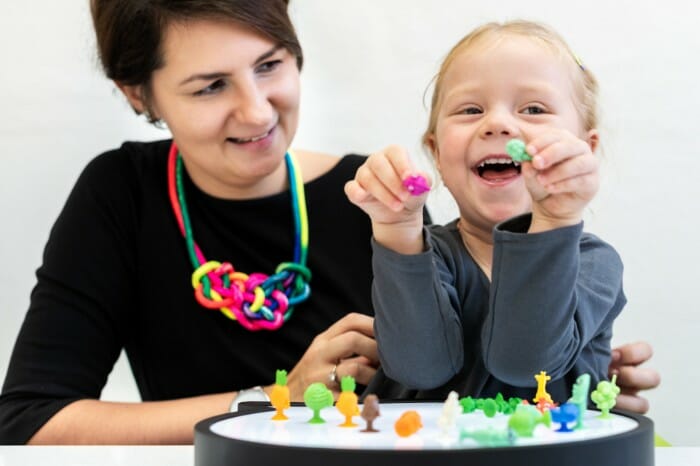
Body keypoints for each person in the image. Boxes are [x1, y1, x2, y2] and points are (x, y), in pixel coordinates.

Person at [0, 3, 657, 445]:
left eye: (269, 66)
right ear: (137, 93)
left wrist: (576, 379)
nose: (257, 112)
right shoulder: (124, 198)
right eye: (209, 86)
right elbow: (30, 420)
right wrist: (268, 397)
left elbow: (465, 377)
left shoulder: (377, 200)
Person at [346, 20, 645, 403]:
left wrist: (554, 220)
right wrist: (397, 227)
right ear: (436, 154)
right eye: (470, 109)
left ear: (585, 149)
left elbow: (528, 364)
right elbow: (418, 367)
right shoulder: (422, 252)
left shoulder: (595, 264)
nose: (498, 123)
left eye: (534, 109)